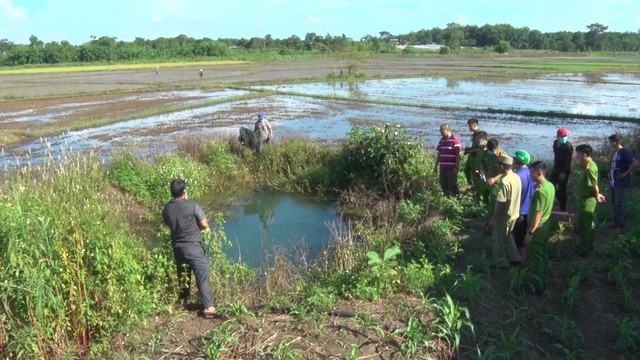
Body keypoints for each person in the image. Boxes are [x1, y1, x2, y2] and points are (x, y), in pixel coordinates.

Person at [162, 179, 216, 318]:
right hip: (193, 247)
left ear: (172, 192)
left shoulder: (167, 208)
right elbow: (204, 224)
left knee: (184, 275)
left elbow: (169, 223)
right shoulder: (192, 205)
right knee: (202, 276)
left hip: (178, 248)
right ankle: (208, 308)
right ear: (184, 191)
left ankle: (183, 302)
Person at [523, 161, 555, 294]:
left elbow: (538, 213)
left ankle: (538, 285)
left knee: (536, 258)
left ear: (539, 173)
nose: (529, 175)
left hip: (538, 228)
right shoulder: (549, 186)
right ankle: (542, 278)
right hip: (546, 225)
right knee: (541, 255)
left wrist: (530, 233)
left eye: (531, 172)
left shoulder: (540, 192)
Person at [488, 155, 522, 269]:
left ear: (502, 166)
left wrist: (494, 218)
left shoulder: (504, 181)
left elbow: (501, 203)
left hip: (504, 215)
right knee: (508, 236)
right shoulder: (516, 177)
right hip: (514, 213)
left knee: (498, 239)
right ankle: (515, 258)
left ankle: (501, 262)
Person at [574, 144, 606, 256]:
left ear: (584, 154)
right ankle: (589, 244)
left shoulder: (590, 168)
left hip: (587, 200)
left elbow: (593, 186)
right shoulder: (588, 166)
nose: (576, 156)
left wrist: (597, 195)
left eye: (577, 154)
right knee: (589, 223)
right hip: (585, 198)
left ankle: (585, 249)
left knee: (585, 225)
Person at [607, 133, 638, 234]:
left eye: (610, 142)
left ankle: (621, 226)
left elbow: (635, 164)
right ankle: (616, 223)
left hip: (620, 183)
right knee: (614, 203)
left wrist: (625, 174)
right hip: (613, 182)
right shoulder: (615, 152)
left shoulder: (624, 152)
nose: (609, 144)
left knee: (619, 204)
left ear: (615, 142)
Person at [512, 150, 535, 261]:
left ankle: (522, 258)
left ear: (518, 161)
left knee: (519, 238)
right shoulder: (532, 173)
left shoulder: (516, 176)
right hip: (531, 211)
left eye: (515, 158)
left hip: (520, 211)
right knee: (528, 235)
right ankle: (529, 256)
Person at [479, 138, 507, 222]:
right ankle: (484, 213)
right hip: (486, 179)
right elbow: (482, 162)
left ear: (497, 148)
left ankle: (490, 221)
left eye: (493, 150)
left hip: (496, 182)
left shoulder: (502, 155)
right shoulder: (485, 152)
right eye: (489, 150)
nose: (491, 152)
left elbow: (505, 171)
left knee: (493, 202)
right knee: (484, 197)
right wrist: (482, 171)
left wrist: (494, 179)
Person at [435, 123, 462, 197]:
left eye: (441, 131)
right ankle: (447, 198)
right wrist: (436, 165)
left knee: (452, 184)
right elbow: (439, 153)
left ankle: (456, 198)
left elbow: (458, 155)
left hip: (451, 167)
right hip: (443, 167)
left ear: (447, 130)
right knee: (443, 184)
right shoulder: (441, 140)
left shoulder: (455, 140)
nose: (440, 132)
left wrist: (456, 167)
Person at [550, 128, 573, 212]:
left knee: (562, 189)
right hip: (556, 168)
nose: (564, 137)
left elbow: (568, 161)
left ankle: (563, 208)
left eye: (565, 136)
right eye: (562, 136)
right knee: (551, 184)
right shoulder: (555, 143)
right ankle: (558, 202)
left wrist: (563, 173)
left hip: (564, 170)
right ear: (557, 136)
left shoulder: (568, 146)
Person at [463, 118, 481, 187]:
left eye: (470, 126)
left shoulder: (480, 134)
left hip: (476, 157)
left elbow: (480, 148)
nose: (469, 128)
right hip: (471, 156)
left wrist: (469, 150)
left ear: (475, 125)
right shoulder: (475, 134)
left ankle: (474, 187)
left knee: (474, 173)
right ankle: (471, 185)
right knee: (466, 170)